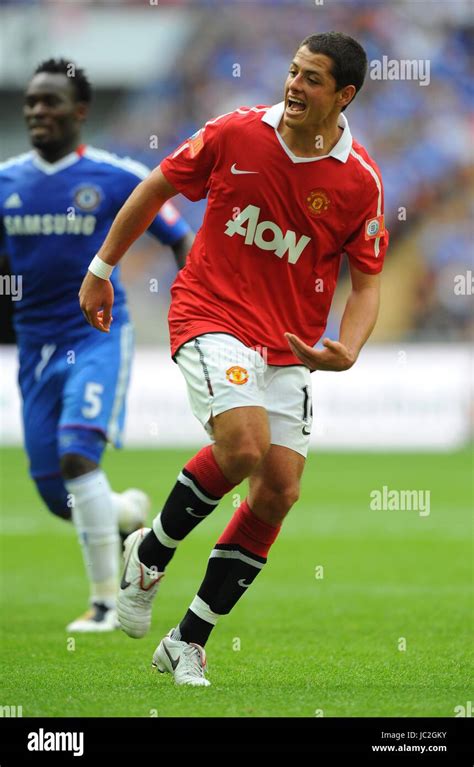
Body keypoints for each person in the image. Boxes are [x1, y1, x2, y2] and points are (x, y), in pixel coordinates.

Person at [79, 32, 389, 682]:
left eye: (312, 79)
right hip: (211, 312)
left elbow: (367, 282)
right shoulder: (236, 133)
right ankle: (152, 551)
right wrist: (102, 267)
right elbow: (155, 186)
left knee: (278, 490)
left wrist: (350, 348)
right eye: (294, 71)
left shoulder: (359, 182)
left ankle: (187, 639)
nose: (294, 85)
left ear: (345, 95)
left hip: (290, 345)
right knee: (243, 447)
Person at [0, 58, 194, 632]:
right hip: (34, 348)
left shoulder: (117, 177)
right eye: (31, 102)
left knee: (77, 454)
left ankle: (106, 604)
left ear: (79, 112)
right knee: (55, 493)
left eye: (50, 102)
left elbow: (181, 239)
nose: (38, 111)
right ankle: (127, 511)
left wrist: (191, 317)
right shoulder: (6, 181)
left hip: (97, 337)